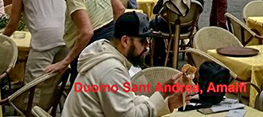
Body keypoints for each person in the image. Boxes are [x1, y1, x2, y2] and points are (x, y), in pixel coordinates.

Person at [60, 11, 188, 117]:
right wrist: (162, 93)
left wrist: (167, 103)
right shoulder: (111, 70)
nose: (147, 47)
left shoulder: (108, 57)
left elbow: (128, 101)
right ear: (125, 41)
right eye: (143, 41)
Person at [3, 0, 66, 108]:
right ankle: (49, 110)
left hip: (44, 39)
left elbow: (13, 23)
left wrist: (2, 39)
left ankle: (31, 112)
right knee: (54, 83)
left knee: (32, 88)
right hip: (66, 36)